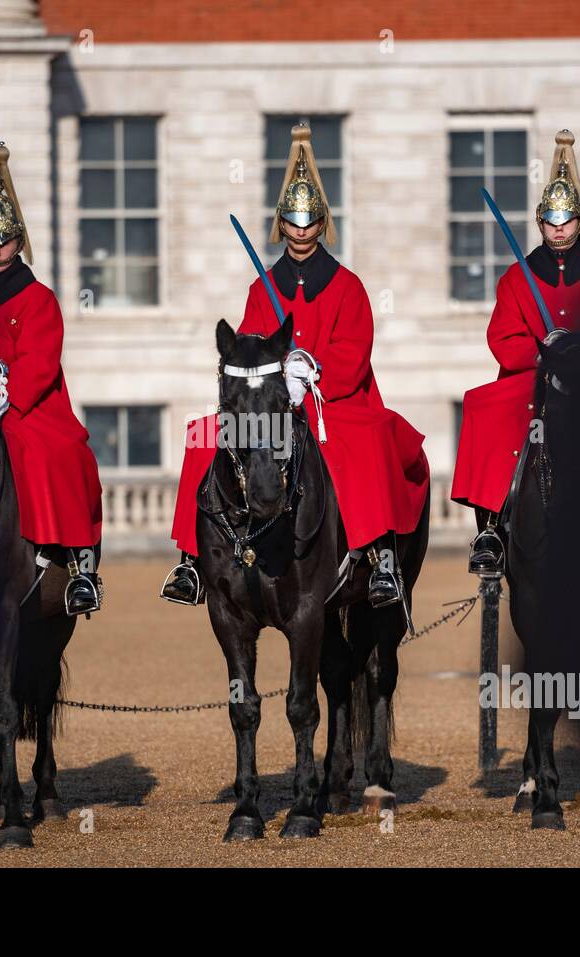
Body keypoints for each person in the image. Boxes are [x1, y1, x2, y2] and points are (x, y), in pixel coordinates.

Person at [161, 122, 430, 608]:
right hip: (269, 408)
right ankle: (190, 560)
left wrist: (314, 371)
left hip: (335, 404)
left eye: (310, 222)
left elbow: (355, 353)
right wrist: (275, 375)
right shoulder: (259, 289)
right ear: (281, 224)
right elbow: (246, 349)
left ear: (322, 223)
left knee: (368, 440)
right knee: (202, 436)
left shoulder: (349, 287)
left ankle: (380, 557)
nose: (301, 231)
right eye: (293, 222)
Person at [451, 130, 580, 575]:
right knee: (481, 403)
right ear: (540, 222)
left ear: (579, 221)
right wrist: (543, 353)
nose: (559, 226)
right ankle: (489, 527)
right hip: (531, 380)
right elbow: (502, 338)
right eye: (551, 219)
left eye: (566, 218)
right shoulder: (515, 278)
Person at [0, 143, 104, 615]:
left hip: (28, 405)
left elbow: (41, 360)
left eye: (4, 240)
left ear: (19, 241)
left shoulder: (38, 298)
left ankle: (77, 565)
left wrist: (6, 394)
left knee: (61, 453)